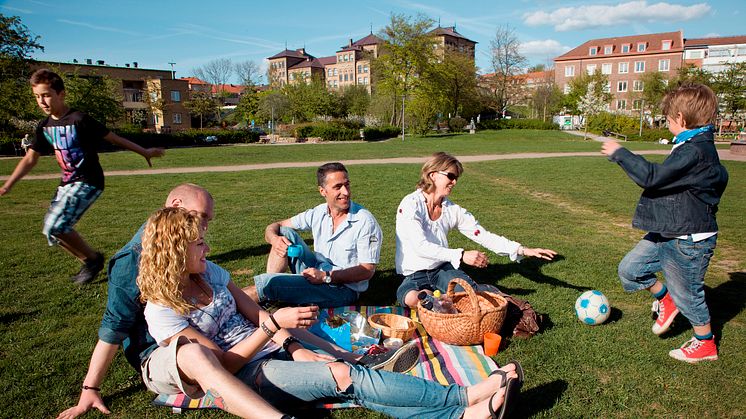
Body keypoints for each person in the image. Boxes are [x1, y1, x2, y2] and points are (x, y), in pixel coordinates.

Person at [138, 207, 523, 419]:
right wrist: (276, 324)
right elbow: (223, 368)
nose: (206, 250)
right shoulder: (163, 310)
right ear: (174, 251)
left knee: (348, 378)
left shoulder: (211, 274)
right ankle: (465, 396)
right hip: (252, 374)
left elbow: (254, 313)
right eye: (199, 244)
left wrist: (291, 343)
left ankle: (459, 416)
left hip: (274, 349)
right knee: (344, 376)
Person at [57, 184, 284, 418]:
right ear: (176, 205)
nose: (205, 226)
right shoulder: (133, 258)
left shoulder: (184, 244)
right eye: (202, 216)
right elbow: (115, 326)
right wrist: (90, 388)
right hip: (161, 350)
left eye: (208, 220)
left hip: (201, 338)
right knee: (202, 355)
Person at [601, 83, 728, 363]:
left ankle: (705, 343)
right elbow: (721, 176)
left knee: (689, 295)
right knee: (630, 270)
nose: (667, 123)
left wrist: (619, 153)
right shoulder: (693, 146)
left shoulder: (695, 151)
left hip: (689, 239)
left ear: (681, 119)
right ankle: (665, 298)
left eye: (668, 119)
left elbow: (651, 177)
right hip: (668, 230)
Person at [0, 69, 165, 284]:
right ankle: (91, 260)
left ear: (61, 94)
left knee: (56, 225)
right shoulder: (44, 126)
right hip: (67, 184)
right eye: (37, 97)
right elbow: (30, 159)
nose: (42, 101)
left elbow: (114, 138)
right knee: (52, 230)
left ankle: (92, 259)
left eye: (46, 95)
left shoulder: (79, 120)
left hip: (88, 181)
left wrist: (144, 151)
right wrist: (8, 185)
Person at [395, 152, 557, 308]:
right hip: (413, 273)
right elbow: (420, 246)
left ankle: (448, 298)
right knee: (410, 298)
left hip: (442, 269)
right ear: (432, 175)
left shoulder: (452, 210)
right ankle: (438, 298)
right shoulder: (410, 205)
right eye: (450, 176)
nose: (454, 182)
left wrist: (522, 249)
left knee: (471, 299)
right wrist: (461, 255)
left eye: (456, 178)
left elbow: (482, 235)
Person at [246, 162, 383, 308]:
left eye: (347, 185)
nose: (346, 192)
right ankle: (269, 293)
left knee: (270, 285)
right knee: (283, 233)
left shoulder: (365, 221)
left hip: (343, 289)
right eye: (338, 187)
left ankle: (234, 302)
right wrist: (274, 239)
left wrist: (325, 277)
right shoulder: (318, 212)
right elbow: (275, 226)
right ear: (322, 191)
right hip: (317, 270)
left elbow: (367, 271)